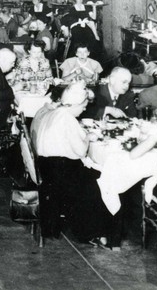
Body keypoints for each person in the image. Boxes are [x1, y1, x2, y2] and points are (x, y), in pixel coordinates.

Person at [31, 82, 114, 244]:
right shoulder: (67, 119)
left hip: (46, 166)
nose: (84, 109)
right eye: (83, 105)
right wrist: (88, 139)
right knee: (98, 179)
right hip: (59, 169)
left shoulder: (56, 112)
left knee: (91, 172)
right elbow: (79, 151)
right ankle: (91, 232)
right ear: (75, 104)